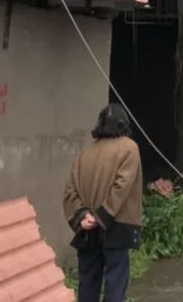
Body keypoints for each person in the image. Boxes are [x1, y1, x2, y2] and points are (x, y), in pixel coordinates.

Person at [64, 104, 143, 302]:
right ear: (123, 124)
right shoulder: (129, 148)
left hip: (87, 231)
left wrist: (84, 217)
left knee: (88, 285)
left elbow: (69, 190)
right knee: (115, 284)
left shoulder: (85, 154)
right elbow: (122, 186)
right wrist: (101, 217)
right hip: (115, 226)